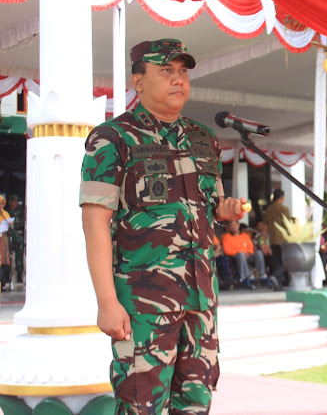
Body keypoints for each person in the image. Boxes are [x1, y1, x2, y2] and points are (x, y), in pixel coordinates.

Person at [80, 38, 246, 414]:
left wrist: (225, 211)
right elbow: (94, 223)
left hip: (201, 299)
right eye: (166, 71)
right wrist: (107, 301)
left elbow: (208, 206)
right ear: (137, 81)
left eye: (183, 72)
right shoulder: (112, 139)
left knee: (195, 404)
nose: (178, 80)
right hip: (144, 303)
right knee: (142, 405)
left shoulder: (204, 140)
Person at [221, 220, 267, 290]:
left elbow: (250, 247)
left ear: (238, 225)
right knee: (241, 254)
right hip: (235, 256)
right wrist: (240, 252)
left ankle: (261, 274)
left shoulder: (245, 236)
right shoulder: (226, 237)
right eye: (232, 226)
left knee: (258, 253)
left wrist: (248, 253)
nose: (234, 227)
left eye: (235, 225)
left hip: (247, 255)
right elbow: (226, 250)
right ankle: (246, 275)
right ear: (229, 227)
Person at [264, 188, 289, 284]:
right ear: (282, 197)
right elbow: (287, 225)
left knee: (277, 261)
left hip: (273, 240)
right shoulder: (284, 209)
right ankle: (276, 276)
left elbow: (265, 227)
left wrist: (265, 241)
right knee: (285, 262)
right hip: (283, 239)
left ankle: (278, 282)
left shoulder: (269, 210)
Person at [6, 195, 25, 284]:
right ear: (10, 202)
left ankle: (19, 275)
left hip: (17, 237)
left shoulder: (20, 212)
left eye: (17, 201)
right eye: (15, 201)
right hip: (8, 236)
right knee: (7, 256)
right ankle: (7, 276)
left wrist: (14, 224)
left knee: (19, 256)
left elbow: (21, 223)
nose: (16, 203)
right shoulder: (6, 212)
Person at [0, 195, 11, 291]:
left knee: (3, 261)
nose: (0, 205)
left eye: (2, 203)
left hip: (3, 239)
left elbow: (10, 224)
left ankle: (3, 283)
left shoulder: (5, 214)